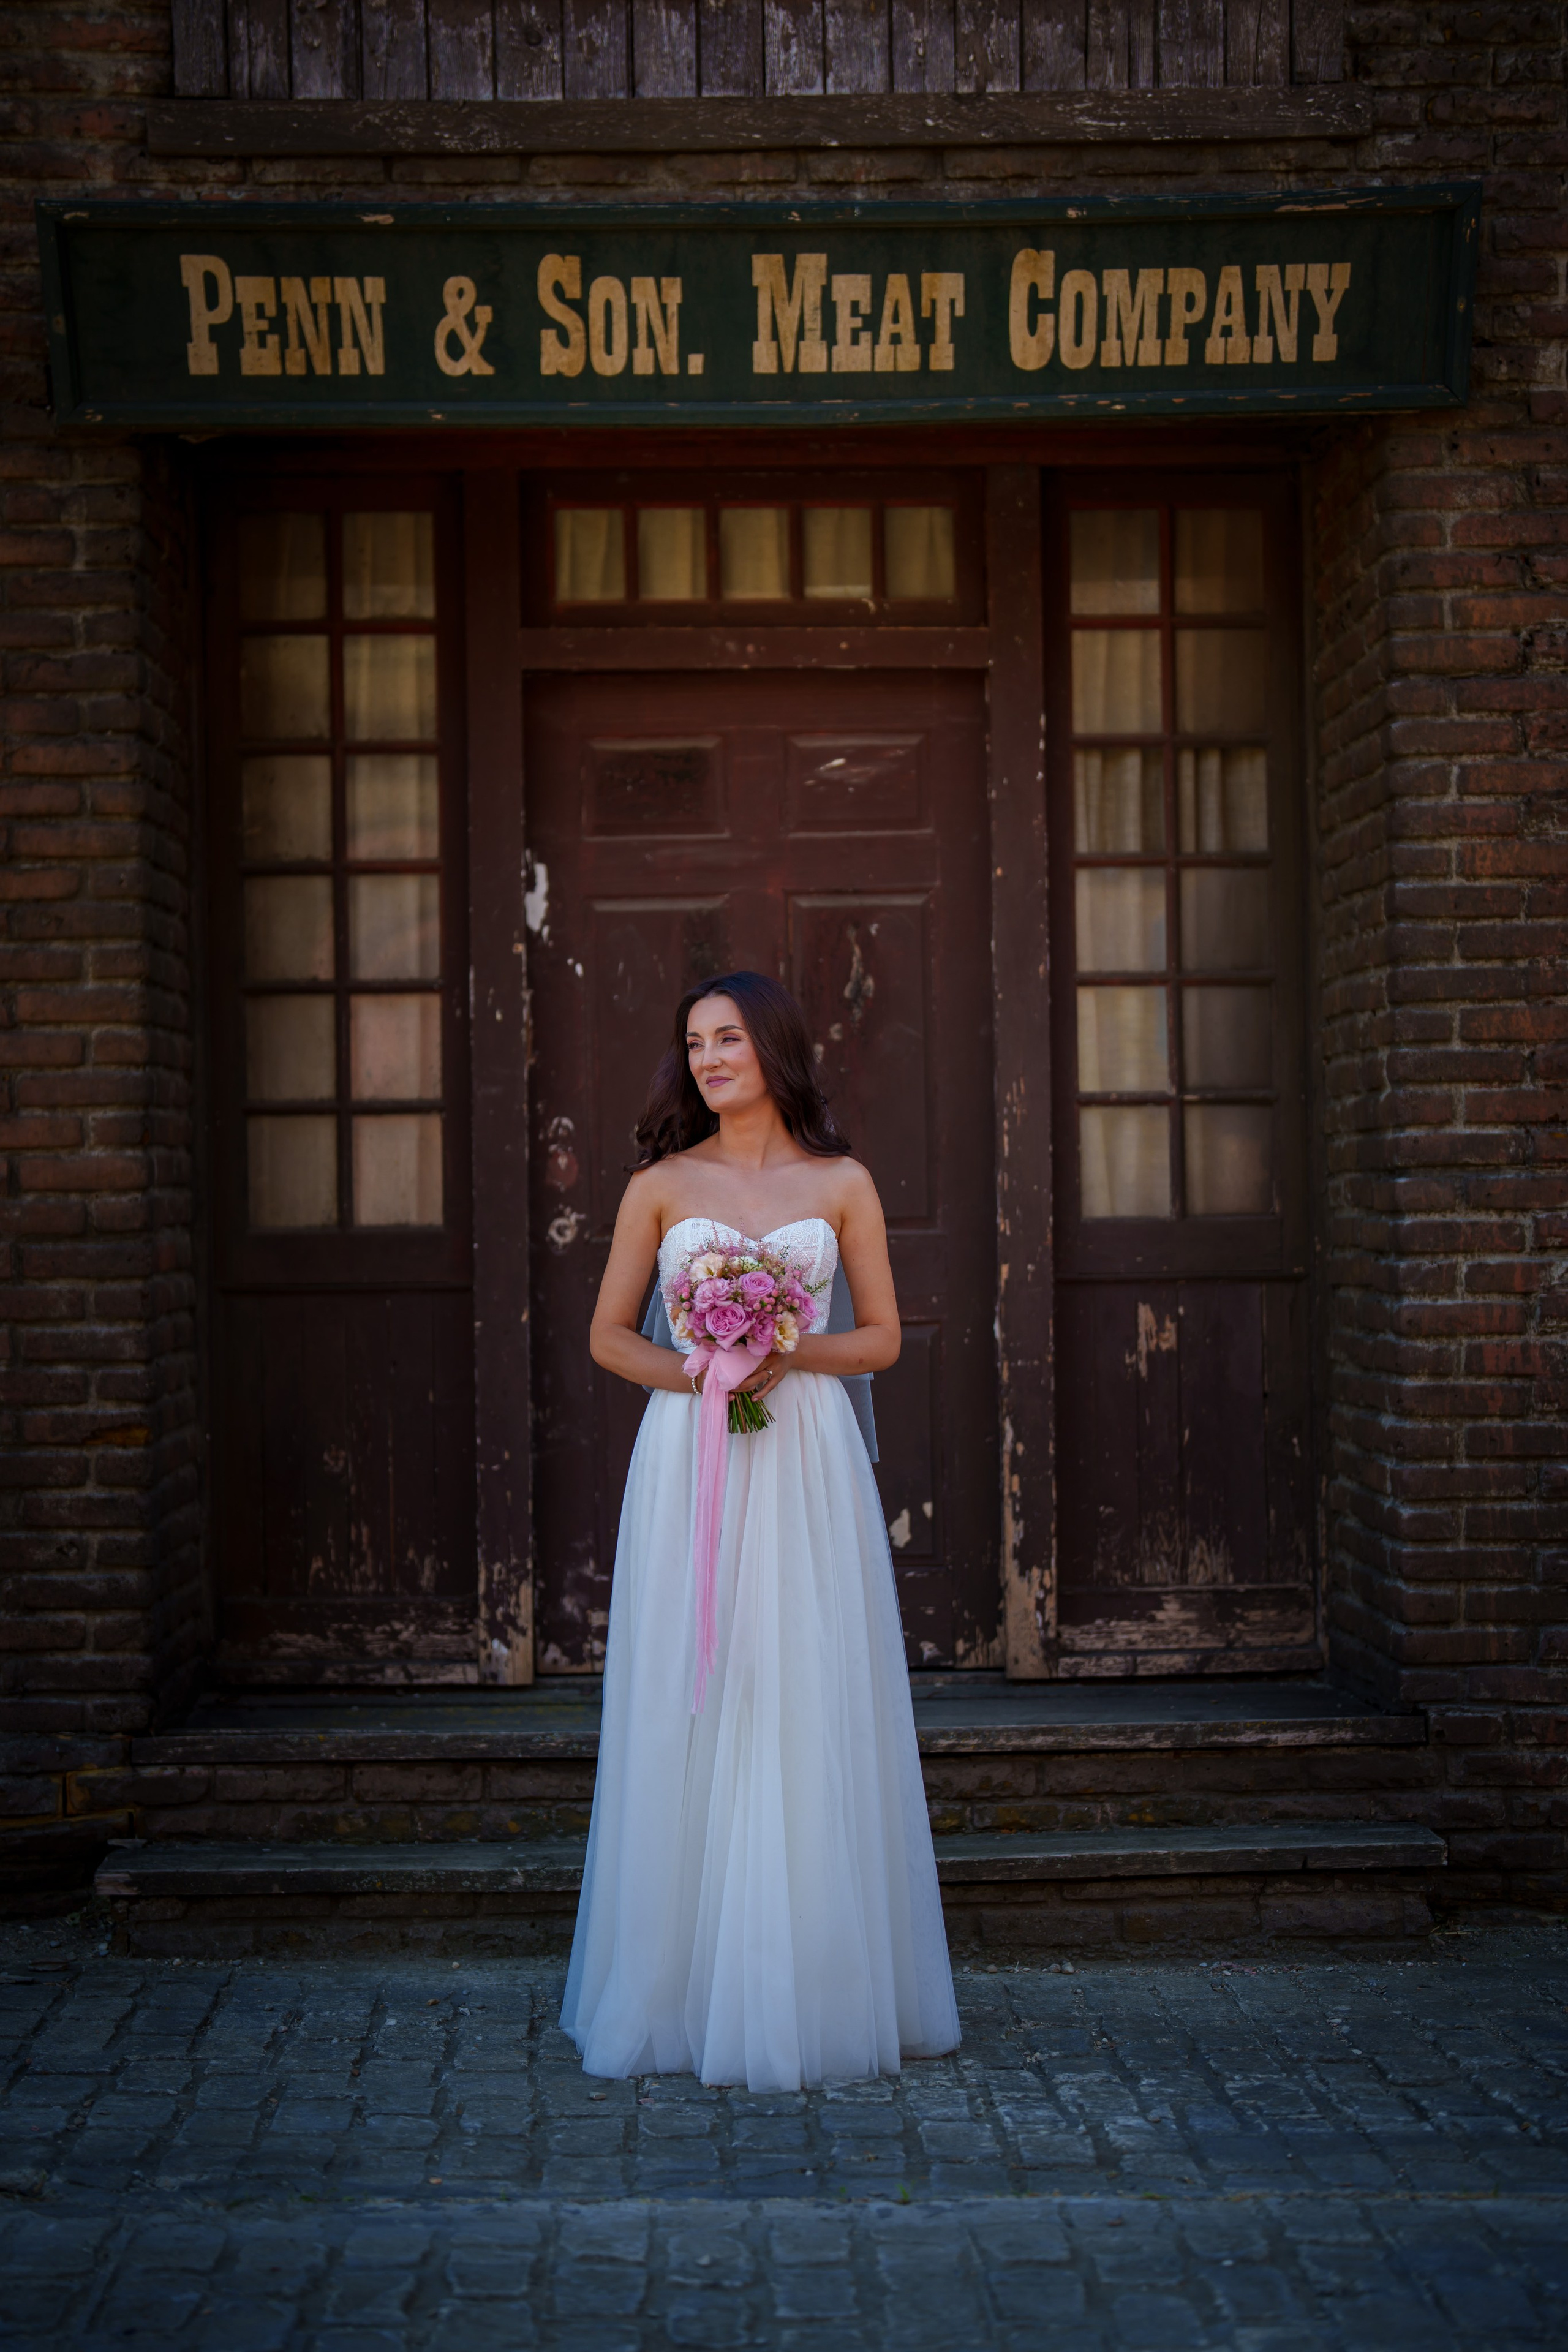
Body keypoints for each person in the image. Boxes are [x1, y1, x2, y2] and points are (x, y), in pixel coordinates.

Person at [560, 970, 961, 2091]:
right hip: (691, 1453)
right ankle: (678, 1988)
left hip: (805, 1458)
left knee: (797, 1684)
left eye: (728, 1039)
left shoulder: (842, 1183)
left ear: (773, 1048)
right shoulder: (659, 1185)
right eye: (694, 1043)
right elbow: (608, 1336)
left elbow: (881, 1339)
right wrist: (703, 1371)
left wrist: (784, 1349)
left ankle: (808, 1987)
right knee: (695, 1687)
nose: (708, 1060)